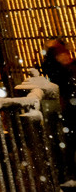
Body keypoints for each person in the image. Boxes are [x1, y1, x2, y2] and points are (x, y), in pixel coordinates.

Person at [42, 37, 76, 173]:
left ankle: (67, 169)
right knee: (69, 141)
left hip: (69, 107)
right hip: (68, 108)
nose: (64, 57)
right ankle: (68, 169)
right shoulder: (59, 70)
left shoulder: (69, 68)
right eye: (60, 55)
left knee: (69, 141)